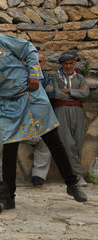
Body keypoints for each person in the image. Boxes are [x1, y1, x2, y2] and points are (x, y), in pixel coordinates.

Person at [0, 24, 87, 209]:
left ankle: (72, 185)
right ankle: (9, 196)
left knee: (53, 140)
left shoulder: (0, 42)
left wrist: (34, 74)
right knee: (9, 150)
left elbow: (28, 49)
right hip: (9, 106)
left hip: (33, 96)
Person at [52, 50, 90, 187]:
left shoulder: (80, 78)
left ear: (75, 63)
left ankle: (74, 175)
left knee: (78, 143)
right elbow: (56, 94)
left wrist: (68, 91)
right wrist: (76, 93)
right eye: (66, 63)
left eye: (71, 63)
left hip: (78, 112)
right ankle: (78, 176)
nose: (68, 66)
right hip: (61, 111)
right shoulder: (56, 77)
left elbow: (85, 94)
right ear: (62, 64)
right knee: (68, 144)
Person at [26, 52, 54, 187]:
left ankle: (38, 176)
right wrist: (43, 91)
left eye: (40, 62)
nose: (37, 64)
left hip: (43, 115)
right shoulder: (22, 76)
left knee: (46, 143)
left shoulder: (47, 78)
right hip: (25, 116)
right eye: (35, 61)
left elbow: (52, 93)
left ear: (44, 64)